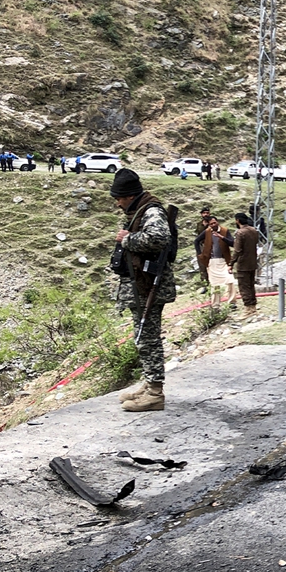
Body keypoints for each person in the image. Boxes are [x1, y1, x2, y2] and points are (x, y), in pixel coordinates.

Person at [110, 168, 176, 412]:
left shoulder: (151, 211)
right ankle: (149, 384)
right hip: (140, 284)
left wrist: (127, 239)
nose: (117, 203)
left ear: (129, 196)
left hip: (149, 287)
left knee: (147, 338)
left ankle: (155, 392)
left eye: (119, 198)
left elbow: (159, 238)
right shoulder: (142, 210)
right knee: (144, 336)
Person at [198, 215, 235, 308]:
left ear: (217, 222)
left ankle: (232, 302)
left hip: (224, 260)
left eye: (214, 223)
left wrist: (222, 237)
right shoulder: (207, 232)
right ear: (209, 225)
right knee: (214, 284)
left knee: (230, 280)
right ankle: (215, 304)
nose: (213, 225)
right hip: (212, 261)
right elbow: (196, 241)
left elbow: (232, 243)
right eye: (211, 224)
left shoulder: (225, 231)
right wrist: (200, 254)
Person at [229, 212, 260, 316]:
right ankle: (253, 307)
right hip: (253, 261)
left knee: (243, 286)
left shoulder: (240, 233)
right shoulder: (254, 230)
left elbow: (237, 250)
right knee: (251, 285)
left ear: (237, 220)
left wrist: (231, 263)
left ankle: (248, 309)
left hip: (243, 263)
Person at [193, 207, 212, 291]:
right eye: (204, 213)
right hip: (201, 246)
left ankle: (213, 284)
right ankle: (205, 285)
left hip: (211, 246)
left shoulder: (212, 223)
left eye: (207, 213)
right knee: (202, 267)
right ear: (201, 214)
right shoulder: (199, 224)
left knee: (212, 265)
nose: (206, 214)